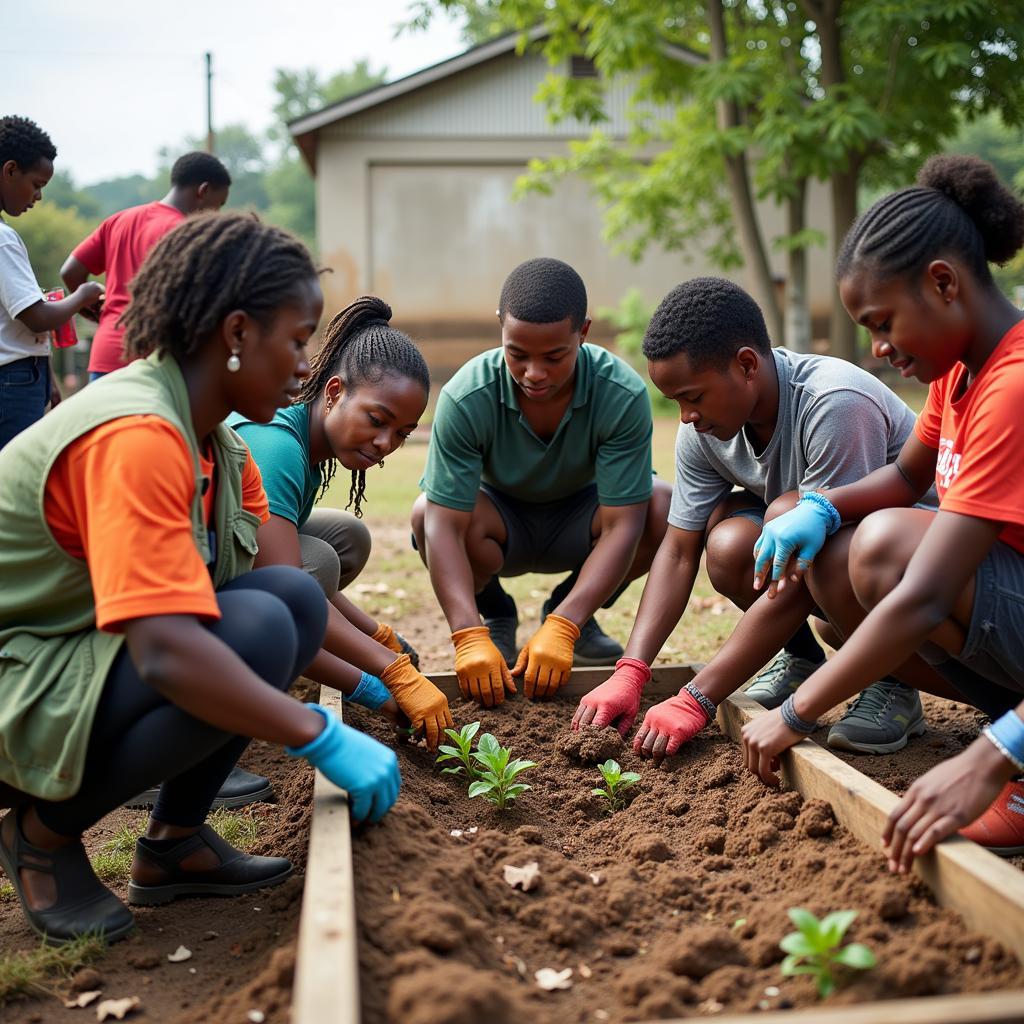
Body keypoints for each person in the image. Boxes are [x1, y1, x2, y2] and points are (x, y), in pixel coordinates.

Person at [0, 212, 400, 945]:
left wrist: (377, 678)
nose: (306, 365)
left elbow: (283, 599)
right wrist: (317, 734)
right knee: (247, 630)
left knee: (285, 606)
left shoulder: (216, 443)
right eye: (299, 339)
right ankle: (41, 836)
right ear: (239, 334)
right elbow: (165, 651)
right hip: (16, 680)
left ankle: (174, 844)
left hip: (67, 657)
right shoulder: (139, 436)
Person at [739, 154, 1024, 869]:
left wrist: (797, 714)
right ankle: (1008, 727)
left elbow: (926, 593)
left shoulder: (1012, 386)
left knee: (888, 549)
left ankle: (1008, 753)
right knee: (842, 551)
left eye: (883, 321)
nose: (879, 347)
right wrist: (819, 507)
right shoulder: (963, 370)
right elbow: (905, 474)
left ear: (943, 283)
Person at [574, 276, 943, 760]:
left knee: (788, 515)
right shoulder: (703, 431)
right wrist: (632, 671)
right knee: (728, 544)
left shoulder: (833, 402)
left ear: (747, 364)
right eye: (676, 402)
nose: (686, 416)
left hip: (921, 576)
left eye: (694, 396)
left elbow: (808, 563)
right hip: (836, 574)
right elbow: (679, 550)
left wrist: (696, 697)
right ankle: (800, 659)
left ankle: (894, 682)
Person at [412, 257, 670, 706]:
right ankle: (494, 615)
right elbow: (444, 526)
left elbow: (622, 525)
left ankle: (572, 613)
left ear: (583, 333)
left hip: (582, 521)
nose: (534, 373)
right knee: (424, 513)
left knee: (661, 506)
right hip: (499, 525)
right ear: (500, 328)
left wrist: (564, 624)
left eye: (554, 357)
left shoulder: (620, 394)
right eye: (517, 354)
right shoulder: (466, 395)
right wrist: (465, 634)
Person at [230, 296, 454, 748]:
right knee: (316, 566)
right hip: (169, 605)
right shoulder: (278, 447)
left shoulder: (307, 435)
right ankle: (223, 707)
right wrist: (382, 681)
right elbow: (287, 591)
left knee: (343, 539)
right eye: (377, 419)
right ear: (334, 393)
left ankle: (280, 662)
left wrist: (378, 637)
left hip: (226, 574)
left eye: (402, 433)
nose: (385, 442)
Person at [61, 151, 231, 382]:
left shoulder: (119, 220)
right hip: (155, 362)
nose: (216, 214)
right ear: (203, 191)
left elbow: (70, 272)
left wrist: (94, 311)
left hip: (106, 354)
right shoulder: (188, 235)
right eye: (218, 205)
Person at [1, 115, 102, 448]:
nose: (38, 197)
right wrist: (81, 296)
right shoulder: (3, 239)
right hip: (12, 382)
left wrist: (48, 378)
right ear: (10, 170)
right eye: (36, 184)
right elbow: (35, 317)